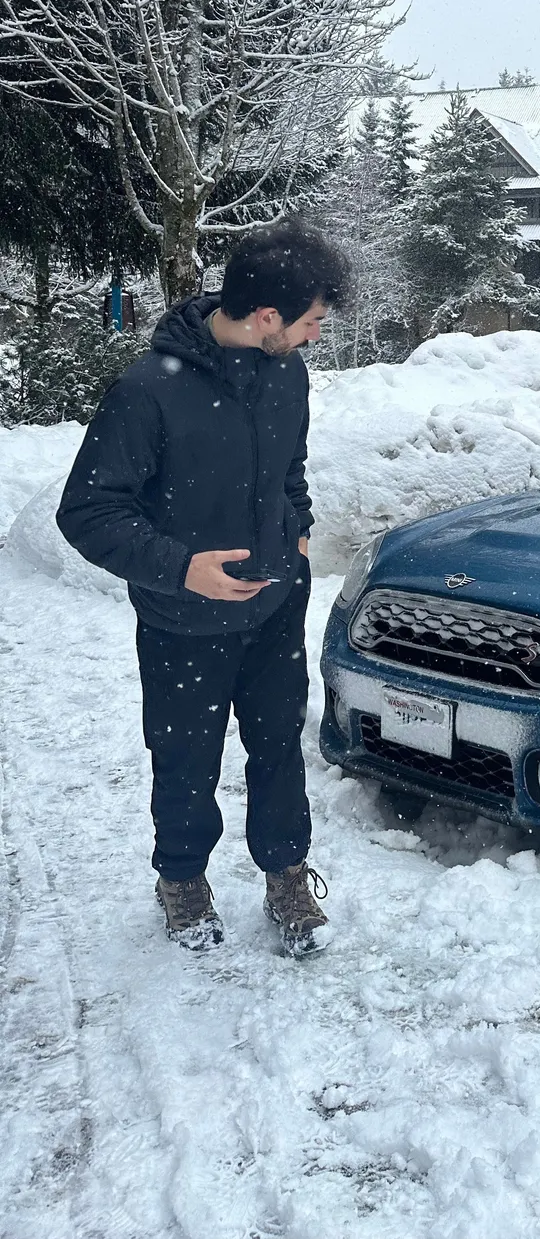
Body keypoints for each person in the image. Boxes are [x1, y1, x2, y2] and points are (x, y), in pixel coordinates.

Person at [57, 219, 351, 956]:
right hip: (182, 619)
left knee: (279, 746)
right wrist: (182, 568)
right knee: (186, 758)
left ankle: (286, 874)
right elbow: (87, 511)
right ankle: (182, 878)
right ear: (267, 316)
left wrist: (299, 529)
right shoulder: (147, 392)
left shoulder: (286, 373)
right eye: (312, 321)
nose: (316, 335)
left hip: (275, 606)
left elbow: (289, 469)